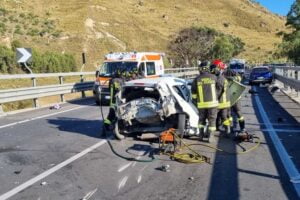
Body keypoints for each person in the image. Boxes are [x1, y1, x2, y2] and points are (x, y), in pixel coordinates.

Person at [191, 61, 220, 143]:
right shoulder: (214, 77)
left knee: (201, 121)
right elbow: (219, 89)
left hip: (201, 105)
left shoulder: (196, 79)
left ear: (201, 69)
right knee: (212, 120)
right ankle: (211, 137)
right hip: (213, 104)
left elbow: (193, 94)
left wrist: (196, 103)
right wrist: (216, 97)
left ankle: (200, 135)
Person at [210, 60, 232, 137]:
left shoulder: (218, 79)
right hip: (226, 102)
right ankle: (228, 130)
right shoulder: (223, 78)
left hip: (220, 102)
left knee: (213, 116)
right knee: (224, 117)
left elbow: (217, 92)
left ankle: (211, 133)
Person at [103, 69, 125, 138]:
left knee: (110, 115)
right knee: (119, 115)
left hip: (112, 101)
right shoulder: (122, 80)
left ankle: (105, 128)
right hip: (119, 101)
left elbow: (110, 89)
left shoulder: (111, 81)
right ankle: (117, 129)